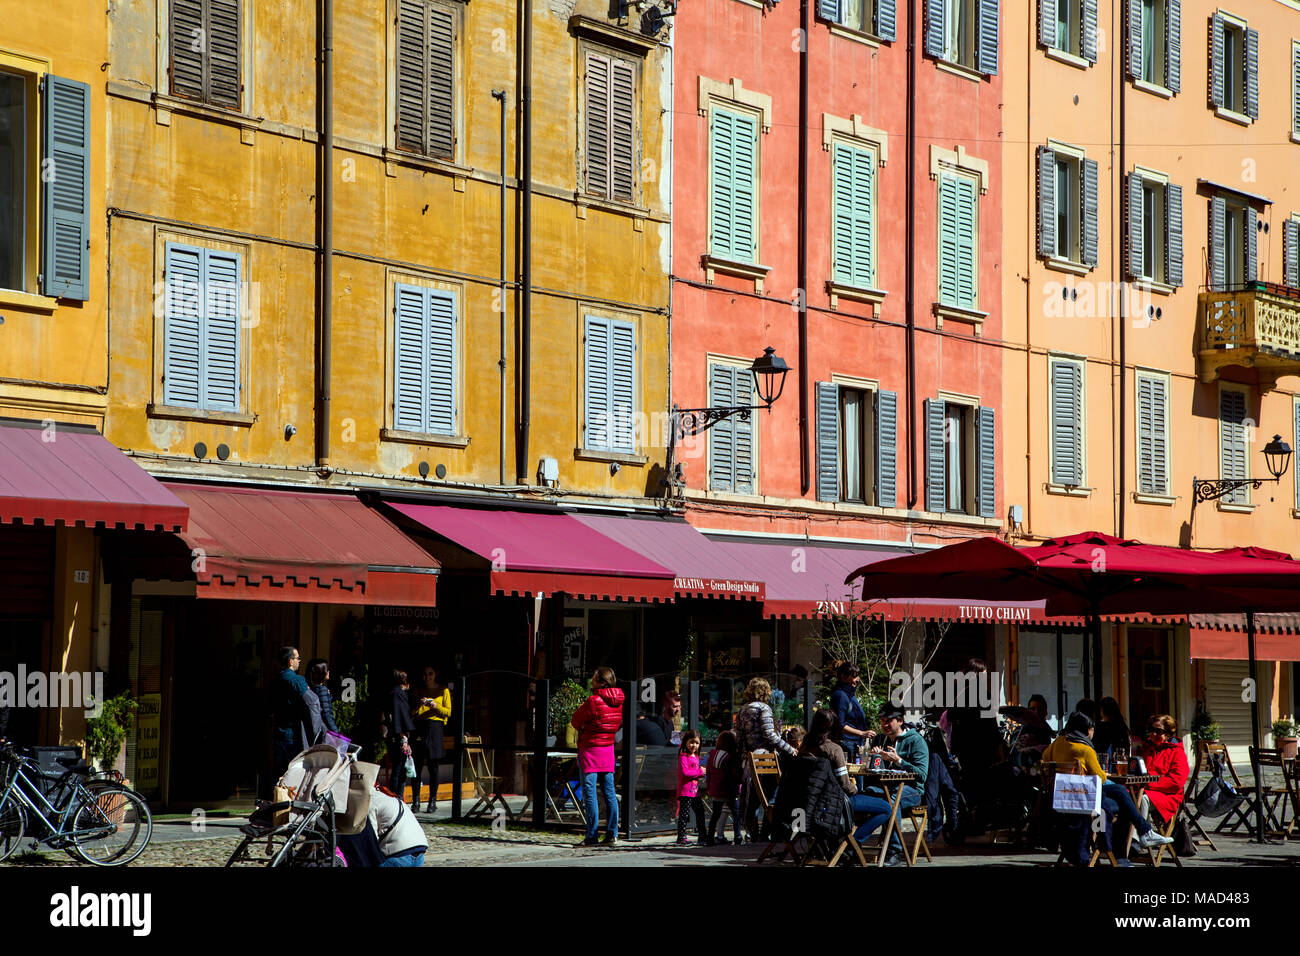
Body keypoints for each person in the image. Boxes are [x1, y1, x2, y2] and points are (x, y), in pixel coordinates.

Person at [1043, 711, 1172, 865]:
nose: (1093, 732)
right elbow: (1100, 778)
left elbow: (1044, 760)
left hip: (1062, 797)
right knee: (1124, 803)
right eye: (1091, 729)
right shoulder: (1084, 749)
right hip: (1083, 797)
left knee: (1120, 791)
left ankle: (1143, 831)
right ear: (1086, 730)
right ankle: (1124, 853)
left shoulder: (1057, 743)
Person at [853, 706, 929, 866]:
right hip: (883, 787)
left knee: (891, 801)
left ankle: (894, 850)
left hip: (912, 790)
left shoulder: (916, 741)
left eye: (888, 722)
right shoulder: (880, 739)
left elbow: (921, 774)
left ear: (900, 721)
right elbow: (873, 770)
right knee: (862, 797)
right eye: (882, 722)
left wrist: (898, 760)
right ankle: (853, 844)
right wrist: (873, 757)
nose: (884, 725)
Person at [736, 677, 798, 840]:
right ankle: (767, 831)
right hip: (766, 757)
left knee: (754, 797)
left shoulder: (743, 709)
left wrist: (743, 756)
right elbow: (770, 735)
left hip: (750, 758)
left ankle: (752, 832)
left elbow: (740, 737)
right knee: (771, 795)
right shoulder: (764, 708)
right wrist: (790, 749)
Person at [572, 666, 625, 847]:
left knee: (590, 793)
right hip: (608, 748)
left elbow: (575, 720)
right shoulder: (618, 701)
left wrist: (587, 727)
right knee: (609, 791)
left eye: (594, 678)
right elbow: (615, 724)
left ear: (602, 682)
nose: (591, 681)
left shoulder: (593, 701)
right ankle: (612, 833)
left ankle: (592, 835)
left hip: (591, 748)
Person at [1132, 714, 1190, 850]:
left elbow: (1176, 782)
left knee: (1143, 798)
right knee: (1125, 796)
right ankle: (1131, 838)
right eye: (1152, 730)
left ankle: (1141, 835)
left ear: (1168, 733)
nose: (1153, 734)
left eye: (1159, 731)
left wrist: (1148, 785)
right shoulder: (1146, 748)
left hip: (1168, 795)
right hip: (1144, 789)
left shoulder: (1176, 752)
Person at [410, 666, 452, 812]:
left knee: (433, 766)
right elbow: (411, 712)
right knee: (417, 765)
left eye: (430, 674)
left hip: (435, 727)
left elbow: (448, 712)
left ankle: (432, 801)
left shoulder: (443, 690)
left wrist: (435, 706)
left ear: (435, 675)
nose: (427, 677)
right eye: (425, 674)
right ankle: (416, 801)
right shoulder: (417, 690)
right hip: (420, 726)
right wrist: (420, 704)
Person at [271, 647, 311, 780]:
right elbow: (310, 703)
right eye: (297, 658)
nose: (299, 661)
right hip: (293, 734)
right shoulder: (297, 681)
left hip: (277, 732)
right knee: (293, 773)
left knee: (279, 772)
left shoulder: (275, 680)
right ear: (290, 661)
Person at [369, 788, 429, 867]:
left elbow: (371, 838)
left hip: (398, 855)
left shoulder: (370, 801)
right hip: (419, 852)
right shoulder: (390, 797)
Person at [705, 730, 744, 846]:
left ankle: (710, 838)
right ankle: (738, 836)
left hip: (715, 790)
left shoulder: (712, 755)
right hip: (729, 791)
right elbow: (735, 775)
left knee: (715, 814)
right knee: (736, 814)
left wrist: (709, 787)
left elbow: (709, 774)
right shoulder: (731, 757)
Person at [829, 662, 869, 761]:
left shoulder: (850, 694)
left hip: (855, 745)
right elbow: (839, 724)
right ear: (844, 677)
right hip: (846, 746)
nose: (858, 679)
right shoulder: (840, 696)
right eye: (854, 676)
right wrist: (862, 733)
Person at [676, 729, 707, 845]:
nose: (694, 745)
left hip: (695, 791)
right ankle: (681, 837)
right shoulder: (683, 756)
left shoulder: (696, 756)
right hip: (685, 791)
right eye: (691, 742)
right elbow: (685, 772)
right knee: (684, 815)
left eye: (697, 743)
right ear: (686, 742)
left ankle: (703, 835)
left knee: (700, 812)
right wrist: (700, 772)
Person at [388, 669, 415, 805]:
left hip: (397, 736)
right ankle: (396, 799)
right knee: (398, 770)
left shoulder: (395, 693)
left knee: (400, 769)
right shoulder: (398, 694)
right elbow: (399, 718)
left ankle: (397, 798)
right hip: (399, 737)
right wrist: (404, 739)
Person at [1094, 697, 1134, 766]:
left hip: (1106, 763)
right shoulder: (1122, 725)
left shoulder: (1102, 726)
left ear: (1103, 710)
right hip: (1121, 762)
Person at [306, 659, 339, 736]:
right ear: (322, 672)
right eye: (327, 670)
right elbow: (326, 713)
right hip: (324, 731)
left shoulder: (310, 688)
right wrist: (335, 732)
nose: (329, 672)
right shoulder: (322, 690)